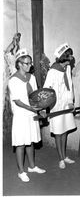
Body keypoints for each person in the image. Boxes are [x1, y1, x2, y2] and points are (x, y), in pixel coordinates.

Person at [8, 48, 46, 182]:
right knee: (21, 143)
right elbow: (17, 101)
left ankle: (32, 166)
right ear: (19, 64)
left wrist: (41, 108)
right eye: (27, 63)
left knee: (30, 141)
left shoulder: (33, 77)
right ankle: (20, 171)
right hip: (21, 115)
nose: (30, 65)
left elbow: (36, 96)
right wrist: (31, 108)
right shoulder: (13, 80)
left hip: (32, 114)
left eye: (30, 63)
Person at [43, 43, 77, 169]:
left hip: (66, 105)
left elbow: (70, 87)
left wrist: (70, 101)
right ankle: (60, 158)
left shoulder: (67, 68)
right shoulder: (52, 71)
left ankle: (65, 156)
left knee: (65, 130)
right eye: (70, 55)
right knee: (58, 132)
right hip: (56, 106)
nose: (72, 58)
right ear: (65, 57)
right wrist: (47, 105)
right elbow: (46, 90)